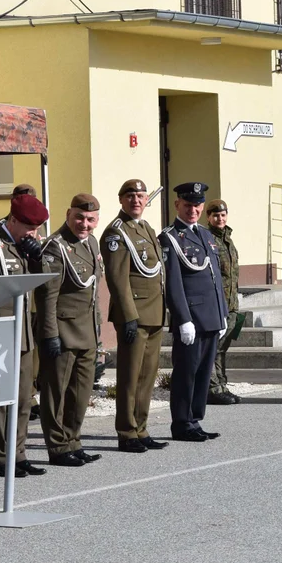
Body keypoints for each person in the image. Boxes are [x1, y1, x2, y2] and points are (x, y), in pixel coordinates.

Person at [0, 193, 50, 477]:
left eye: (37, 229)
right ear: (13, 220)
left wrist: (37, 257)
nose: (33, 233)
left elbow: (36, 285)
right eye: (29, 227)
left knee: (22, 398)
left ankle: (18, 454)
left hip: (23, 331)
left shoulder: (24, 246)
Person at [100, 179, 167, 453]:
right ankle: (126, 432)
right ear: (121, 200)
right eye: (131, 196)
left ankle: (141, 427)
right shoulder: (116, 233)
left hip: (153, 312)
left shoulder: (145, 227)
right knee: (130, 377)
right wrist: (128, 316)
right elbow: (117, 279)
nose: (136, 200)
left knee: (147, 376)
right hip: (135, 314)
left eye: (140, 196)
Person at [37, 193, 103, 466]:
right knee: (57, 393)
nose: (84, 224)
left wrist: (98, 335)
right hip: (63, 331)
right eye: (79, 217)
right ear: (68, 214)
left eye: (90, 219)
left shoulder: (90, 243)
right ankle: (58, 447)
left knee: (80, 393)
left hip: (86, 331)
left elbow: (94, 292)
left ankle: (73, 440)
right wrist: (50, 334)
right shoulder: (56, 247)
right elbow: (48, 296)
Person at [159, 183, 228, 442]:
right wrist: (183, 319)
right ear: (177, 205)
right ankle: (181, 423)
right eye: (188, 205)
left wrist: (221, 313)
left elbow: (215, 278)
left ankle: (195, 419)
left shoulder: (205, 235)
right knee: (186, 373)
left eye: (197, 205)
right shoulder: (170, 237)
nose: (193, 210)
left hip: (210, 315)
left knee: (203, 372)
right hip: (191, 318)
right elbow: (173, 283)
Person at [204, 199, 241, 405]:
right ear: (208, 217)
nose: (220, 218)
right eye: (216, 215)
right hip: (217, 304)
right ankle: (212, 388)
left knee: (223, 347)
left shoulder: (228, 239)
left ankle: (222, 384)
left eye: (223, 215)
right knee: (213, 347)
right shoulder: (209, 239)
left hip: (232, 303)